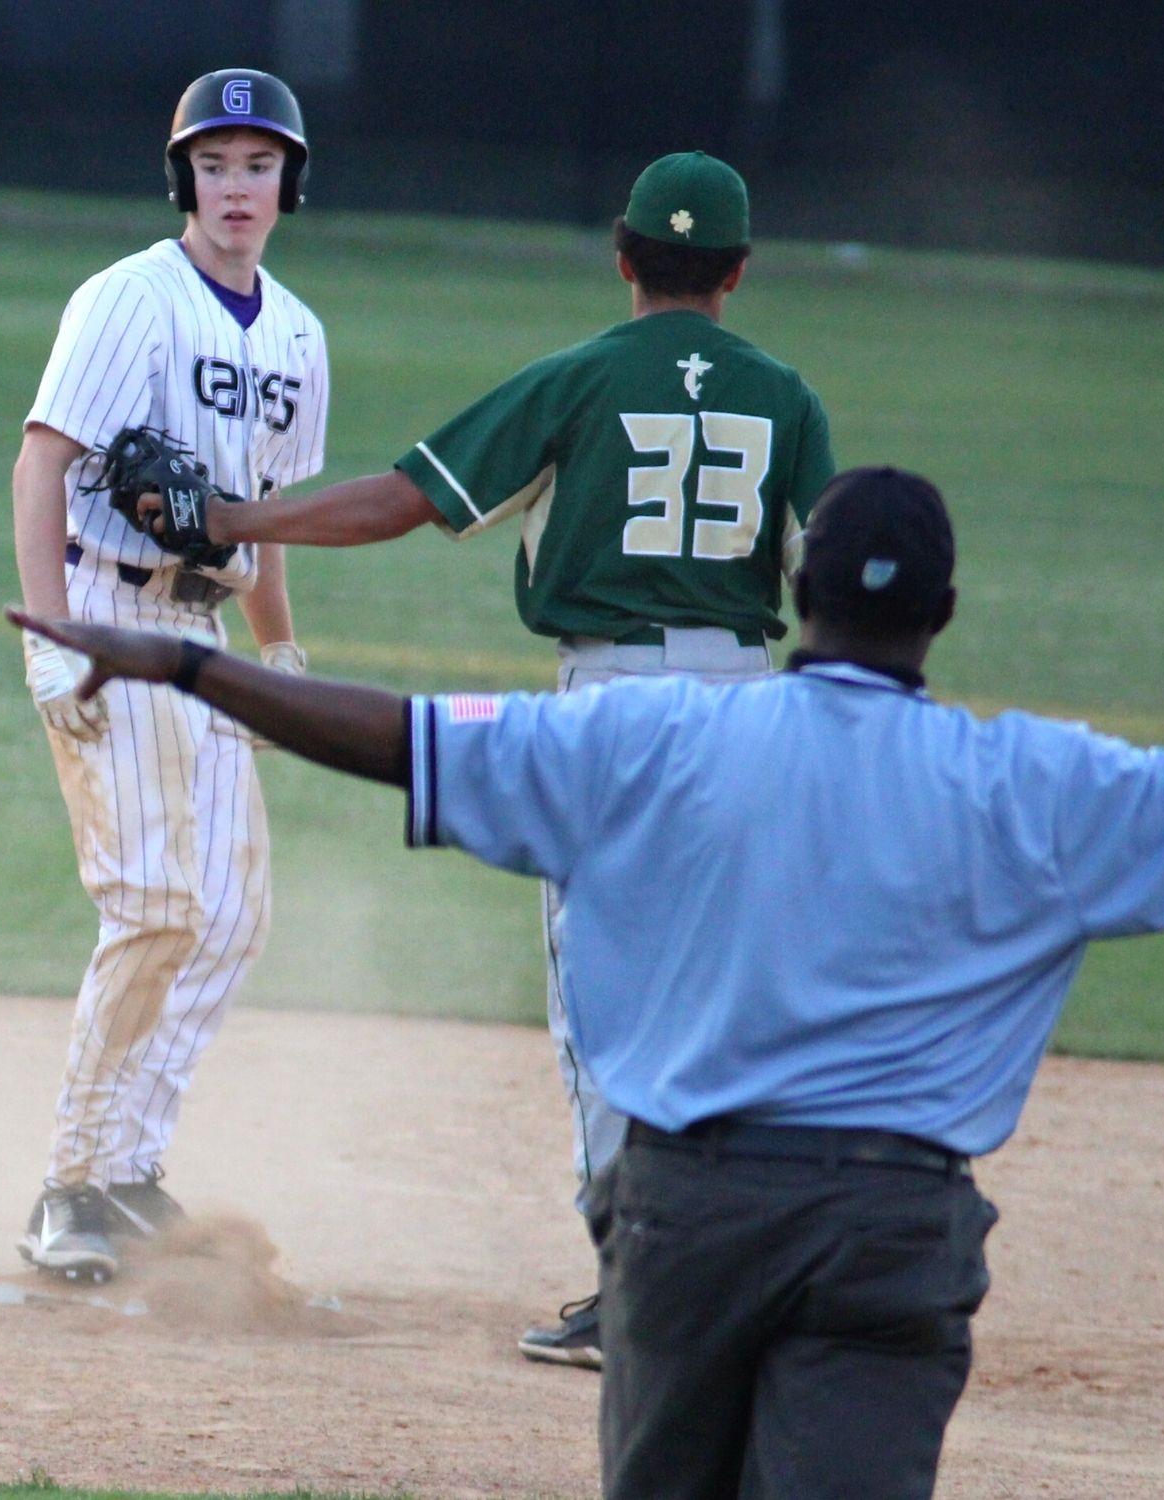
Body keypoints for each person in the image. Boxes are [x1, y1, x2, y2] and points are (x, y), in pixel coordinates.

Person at [9, 465, 1164, 1497]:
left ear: (795, 593)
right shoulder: (1035, 784)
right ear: (945, 611)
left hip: (686, 1219)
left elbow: (402, 737)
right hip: (890, 1231)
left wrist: (186, 665)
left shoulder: (658, 742)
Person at [158, 148, 835, 1363]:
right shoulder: (786, 398)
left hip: (612, 713)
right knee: (730, 992)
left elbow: (406, 498)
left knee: (608, 1004)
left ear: (623, 258)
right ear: (737, 272)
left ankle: (641, 1290)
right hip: (750, 712)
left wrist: (229, 519)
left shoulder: (581, 378)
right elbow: (830, 576)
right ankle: (763, 1272)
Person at [10, 67, 329, 1281]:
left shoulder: (297, 334)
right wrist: (54, 637)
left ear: (289, 182)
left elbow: (264, 516)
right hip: (107, 613)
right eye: (213, 164)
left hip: (208, 639)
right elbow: (43, 465)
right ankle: (68, 1185)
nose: (236, 186)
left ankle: (128, 1169)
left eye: (258, 164)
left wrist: (279, 653)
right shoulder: (129, 299)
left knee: (231, 918)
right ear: (183, 179)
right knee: (153, 904)